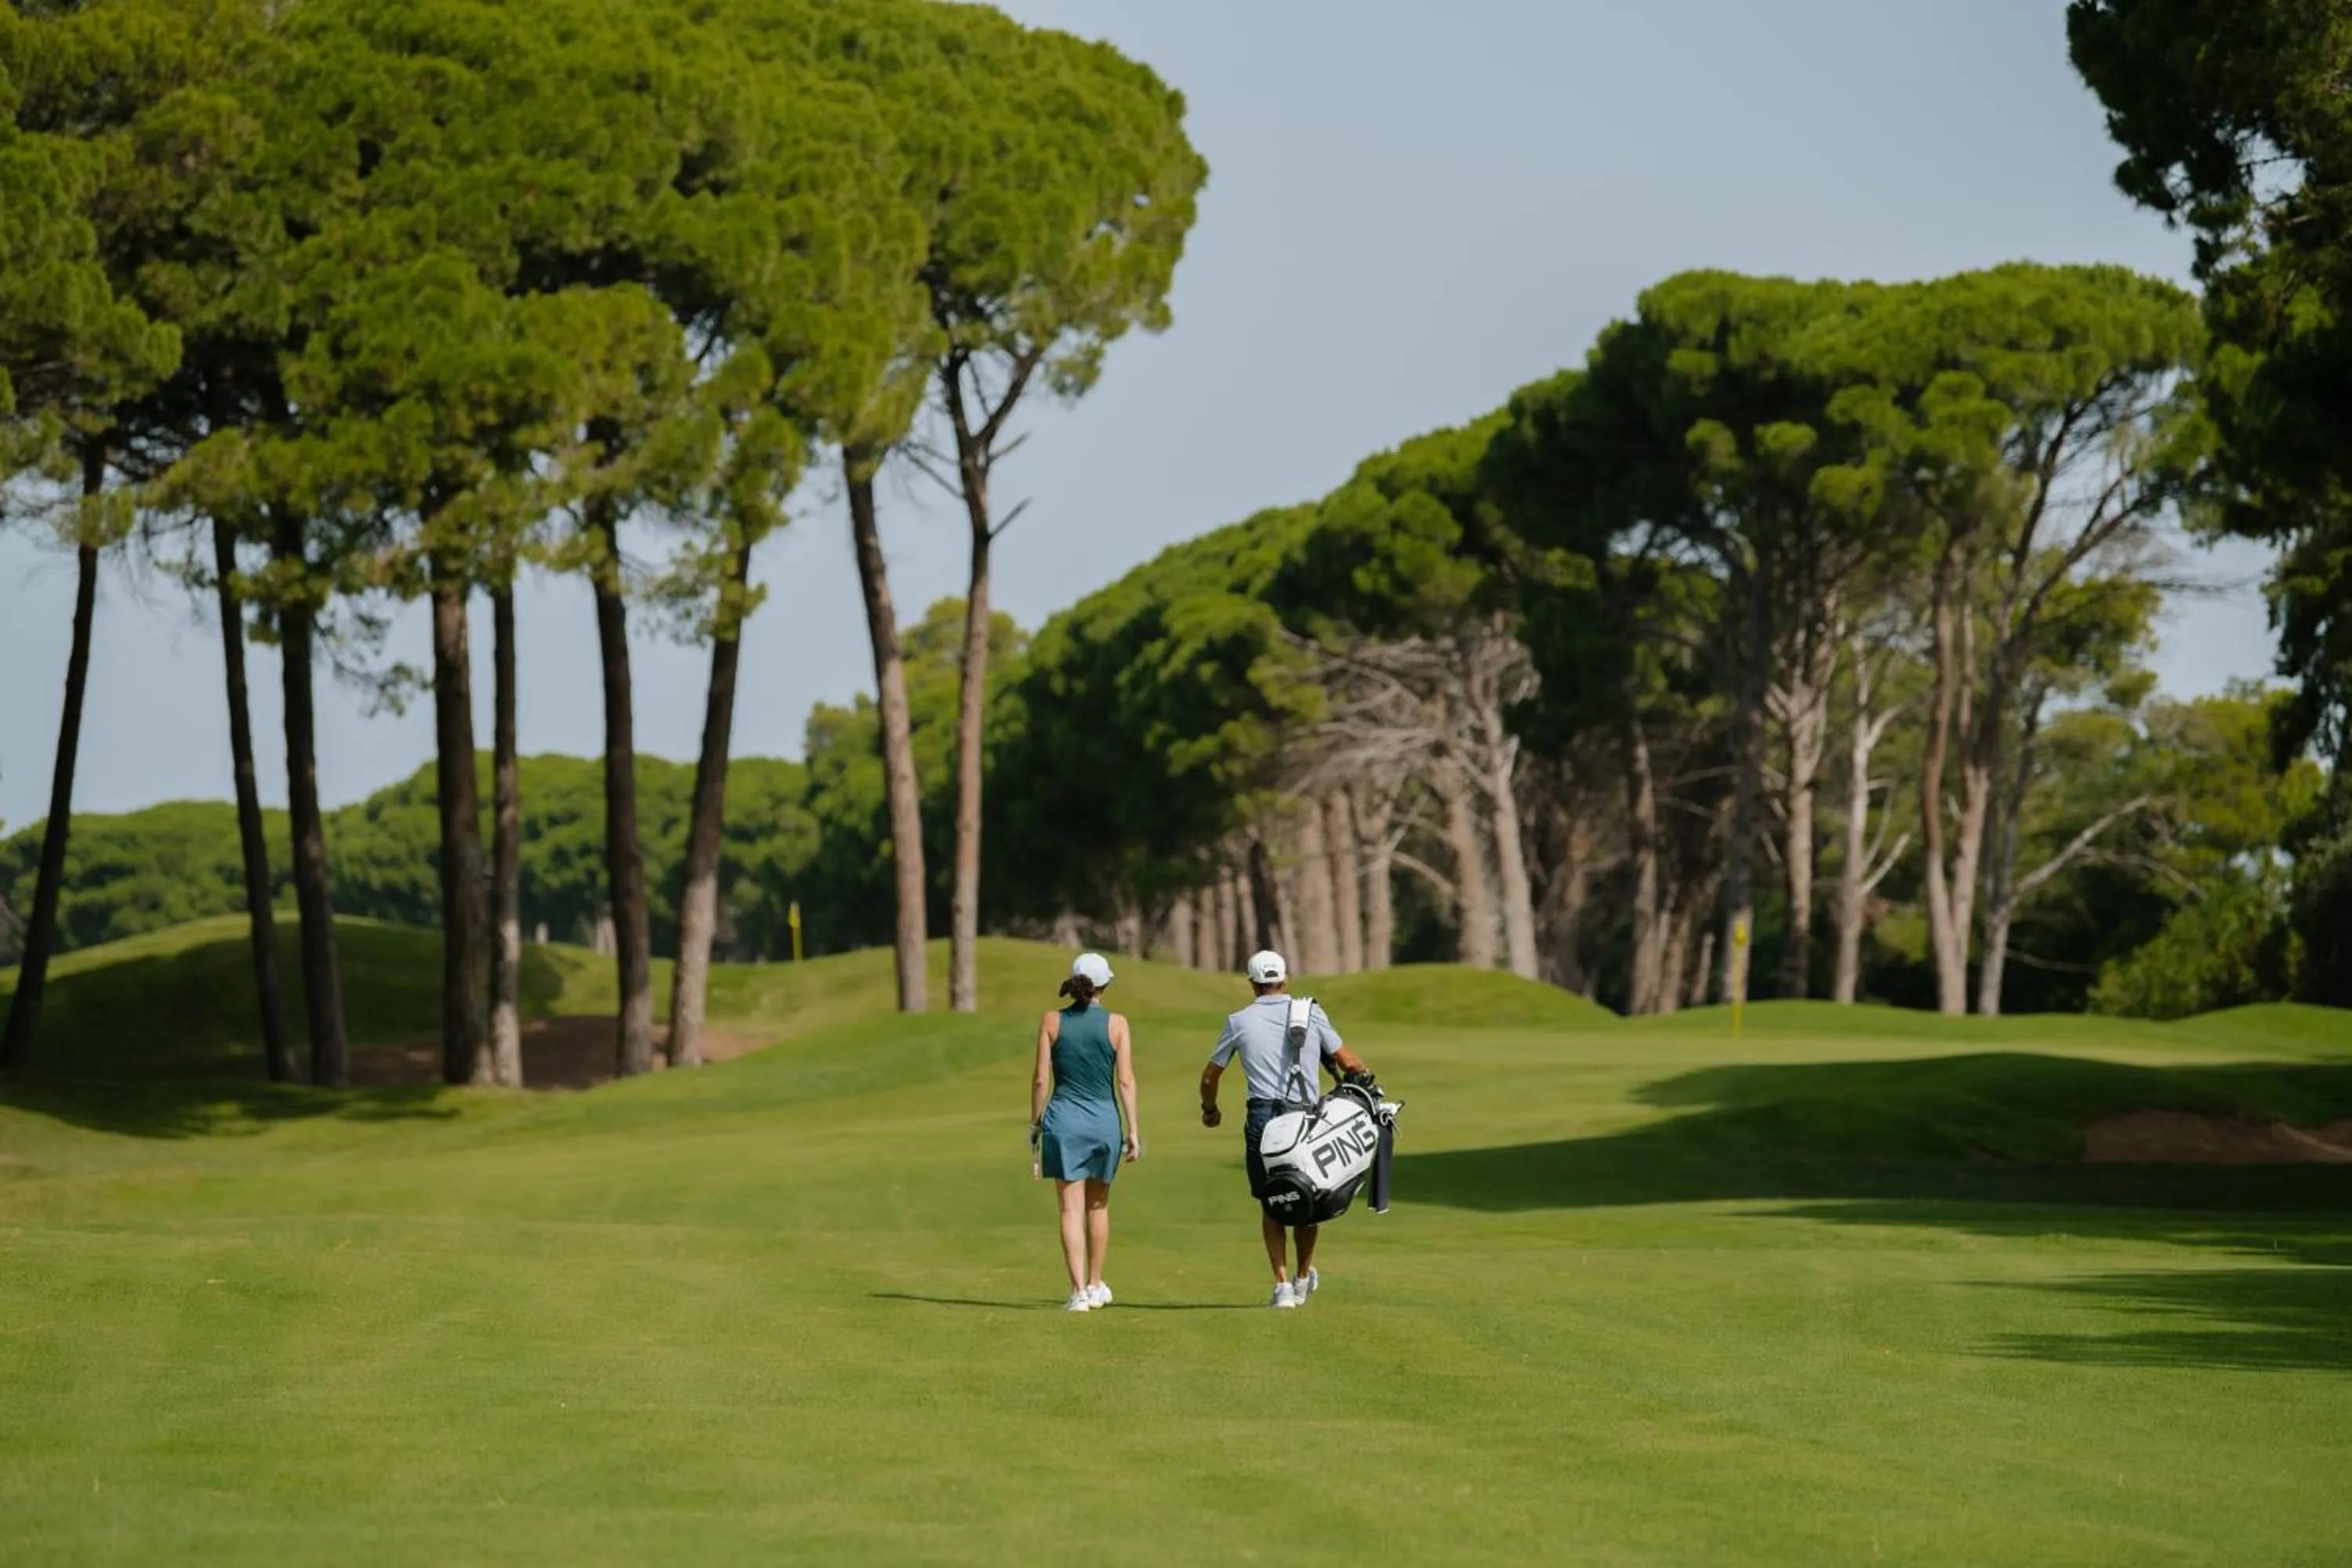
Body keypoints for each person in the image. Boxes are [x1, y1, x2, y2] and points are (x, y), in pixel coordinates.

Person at [1199, 949, 1372, 1308]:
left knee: (1272, 1198)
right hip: (1305, 1117)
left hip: (1262, 1118)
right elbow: (1349, 1061)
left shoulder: (1238, 1021)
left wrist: (1210, 1109)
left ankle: (1281, 1288)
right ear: (1285, 979)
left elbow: (1210, 1076)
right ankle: (1303, 1278)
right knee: (1309, 1196)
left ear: (1252, 983)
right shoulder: (1310, 1012)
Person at [1030, 953, 1140, 1312]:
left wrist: (1035, 1123)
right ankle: (1094, 1284)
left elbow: (1041, 1079)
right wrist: (1134, 1129)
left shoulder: (1051, 1020)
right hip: (1104, 1123)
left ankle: (1078, 1292)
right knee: (1098, 1205)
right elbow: (1125, 1081)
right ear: (1104, 986)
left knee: (1069, 1209)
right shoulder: (1118, 1024)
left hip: (1062, 1123)